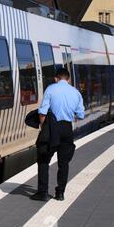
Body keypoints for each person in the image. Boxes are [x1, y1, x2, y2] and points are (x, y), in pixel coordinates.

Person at [30, 68, 85, 202]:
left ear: (56, 78)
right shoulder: (76, 92)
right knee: (63, 163)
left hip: (52, 128)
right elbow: (81, 115)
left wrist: (44, 127)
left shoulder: (51, 89)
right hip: (67, 129)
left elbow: (42, 112)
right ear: (68, 79)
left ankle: (42, 193)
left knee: (43, 159)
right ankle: (60, 193)